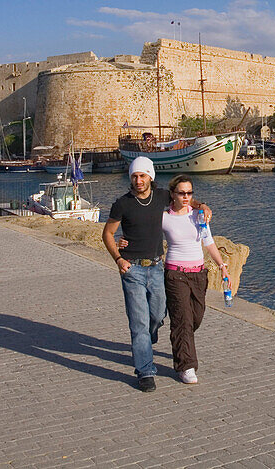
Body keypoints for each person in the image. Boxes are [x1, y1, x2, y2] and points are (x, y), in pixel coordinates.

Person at [102, 157, 210, 392]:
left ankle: (149, 337)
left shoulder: (161, 196)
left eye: (142, 176)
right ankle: (145, 371)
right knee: (139, 322)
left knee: (158, 313)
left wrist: (203, 206)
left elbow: (186, 200)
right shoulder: (122, 204)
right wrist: (118, 259)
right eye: (134, 176)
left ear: (150, 176)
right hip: (132, 269)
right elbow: (108, 234)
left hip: (157, 267)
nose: (138, 180)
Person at [161, 174, 229, 384]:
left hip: (198, 274)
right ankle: (186, 366)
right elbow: (146, 234)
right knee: (183, 320)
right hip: (175, 273)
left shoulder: (199, 216)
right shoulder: (163, 217)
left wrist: (222, 266)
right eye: (181, 193)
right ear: (172, 194)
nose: (186, 196)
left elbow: (208, 243)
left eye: (189, 193)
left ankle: (180, 342)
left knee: (195, 318)